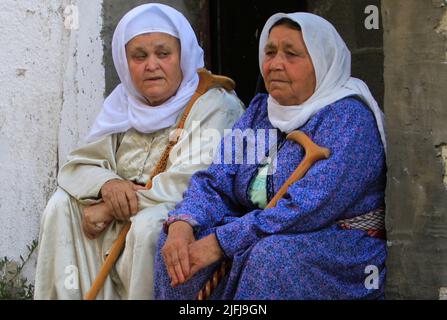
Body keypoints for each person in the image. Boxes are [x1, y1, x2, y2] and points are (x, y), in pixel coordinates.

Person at [154, 12, 387, 300]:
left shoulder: (348, 118)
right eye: (270, 52)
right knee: (176, 248)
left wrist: (223, 242)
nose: (276, 64)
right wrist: (182, 223)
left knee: (271, 257)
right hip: (259, 232)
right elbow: (215, 179)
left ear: (322, 62)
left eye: (292, 54)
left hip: (335, 245)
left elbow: (309, 208)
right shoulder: (260, 112)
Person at [34, 3, 245, 300]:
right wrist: (108, 185)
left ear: (182, 56)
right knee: (61, 206)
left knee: (150, 226)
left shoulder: (215, 104)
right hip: (121, 218)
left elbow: (192, 180)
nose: (151, 65)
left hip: (182, 213)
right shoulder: (124, 102)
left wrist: (111, 207)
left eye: (163, 54)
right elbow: (80, 164)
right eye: (139, 56)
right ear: (125, 61)